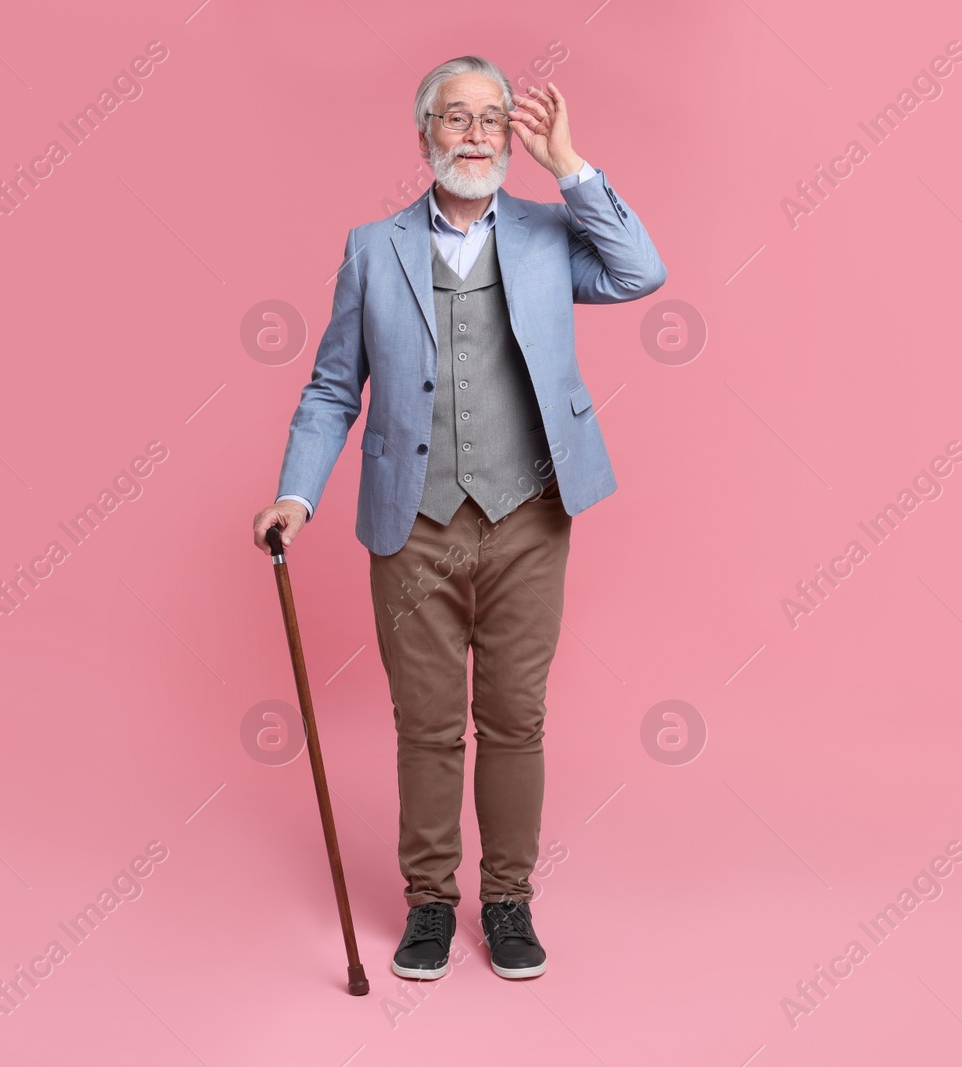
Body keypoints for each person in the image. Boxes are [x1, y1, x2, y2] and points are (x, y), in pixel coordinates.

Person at [252, 55, 665, 981]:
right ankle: (430, 902)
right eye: (456, 117)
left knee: (517, 719)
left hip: (530, 516)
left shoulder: (550, 234)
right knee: (427, 724)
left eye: (492, 118)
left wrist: (570, 164)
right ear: (425, 134)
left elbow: (641, 272)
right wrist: (296, 492)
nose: (476, 133)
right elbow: (330, 388)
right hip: (414, 523)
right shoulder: (371, 247)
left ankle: (509, 899)